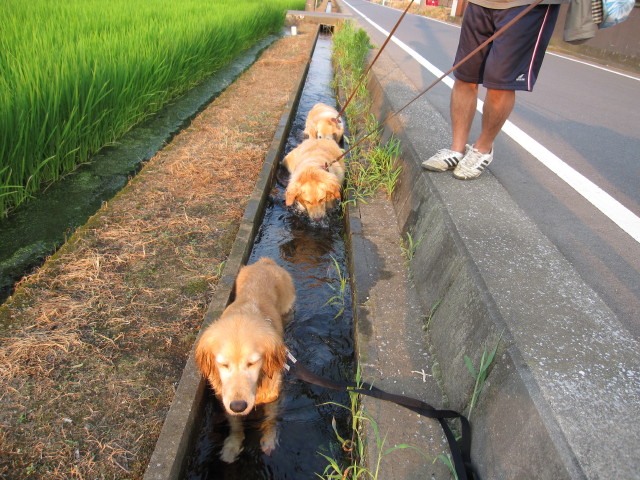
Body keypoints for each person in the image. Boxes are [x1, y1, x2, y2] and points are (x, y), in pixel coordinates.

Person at [422, 0, 567, 180]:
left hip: (527, 5)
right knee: (465, 76)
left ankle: (483, 149)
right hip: (479, 3)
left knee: (500, 83)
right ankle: (456, 149)